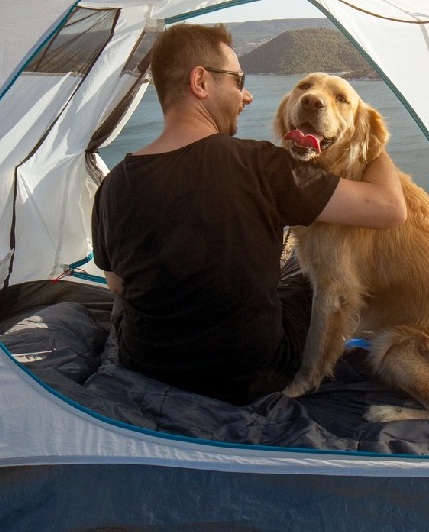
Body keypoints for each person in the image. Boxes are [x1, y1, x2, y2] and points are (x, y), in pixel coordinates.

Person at [90, 23, 406, 405]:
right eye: (239, 80)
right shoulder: (262, 166)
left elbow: (117, 286)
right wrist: (369, 135)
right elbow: (389, 208)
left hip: (146, 363)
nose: (248, 96)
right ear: (201, 82)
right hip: (253, 375)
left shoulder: (113, 186)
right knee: (313, 280)